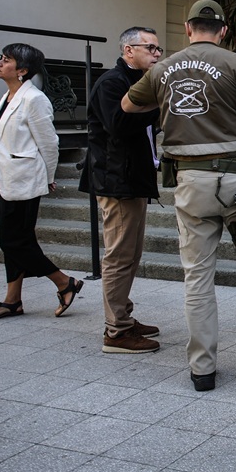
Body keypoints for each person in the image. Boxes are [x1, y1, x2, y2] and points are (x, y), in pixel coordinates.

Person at [121, 0, 236, 391]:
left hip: (190, 180)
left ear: (187, 27)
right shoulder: (235, 64)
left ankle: (202, 369)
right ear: (225, 30)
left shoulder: (162, 68)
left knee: (197, 276)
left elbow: (129, 104)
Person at [0, 43, 84, 321]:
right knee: (16, 240)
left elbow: (49, 144)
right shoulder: (10, 97)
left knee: (14, 242)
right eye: (1, 57)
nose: (0, 62)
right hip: (3, 178)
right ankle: (12, 301)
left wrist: (48, 177)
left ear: (23, 70)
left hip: (23, 180)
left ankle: (64, 282)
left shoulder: (34, 99)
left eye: (7, 60)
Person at [78, 27, 164, 354]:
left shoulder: (134, 81)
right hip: (117, 182)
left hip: (133, 179)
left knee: (131, 254)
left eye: (158, 49)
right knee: (119, 256)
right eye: (150, 48)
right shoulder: (112, 83)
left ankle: (123, 316)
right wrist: (160, 104)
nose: (156, 54)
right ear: (129, 50)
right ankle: (116, 331)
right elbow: (120, 125)